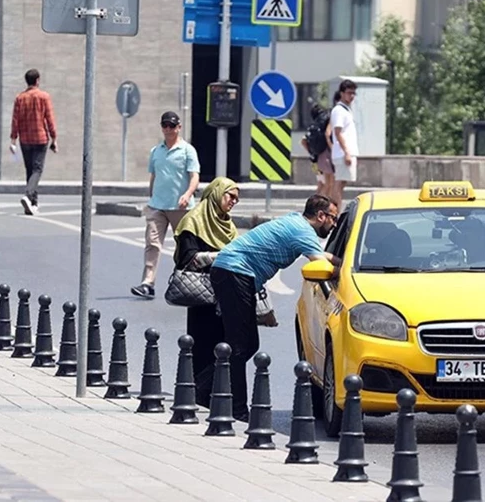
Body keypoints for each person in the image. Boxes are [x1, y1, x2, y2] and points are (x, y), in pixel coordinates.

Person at [209, 194, 342, 421]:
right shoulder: (302, 231)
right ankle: (235, 408)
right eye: (333, 218)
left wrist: (345, 261)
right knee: (240, 345)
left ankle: (204, 391)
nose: (335, 224)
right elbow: (320, 263)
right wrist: (346, 272)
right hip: (235, 272)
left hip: (234, 273)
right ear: (321, 216)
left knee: (246, 344)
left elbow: (325, 256)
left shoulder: (298, 224)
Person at [171, 177, 240, 408]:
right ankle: (198, 395)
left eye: (236, 199)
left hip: (225, 293)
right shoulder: (193, 221)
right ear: (216, 193)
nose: (233, 202)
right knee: (201, 345)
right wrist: (217, 257)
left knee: (225, 345)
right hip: (201, 295)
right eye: (230, 196)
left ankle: (217, 394)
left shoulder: (228, 225)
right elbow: (187, 258)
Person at [131, 111, 201, 299]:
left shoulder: (187, 151)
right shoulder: (156, 151)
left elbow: (194, 176)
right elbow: (154, 176)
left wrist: (187, 194)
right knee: (152, 243)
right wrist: (151, 196)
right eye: (165, 125)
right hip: (158, 206)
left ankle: (186, 281)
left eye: (172, 125)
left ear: (178, 127)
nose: (168, 129)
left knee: (185, 246)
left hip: (181, 208)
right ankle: (148, 283)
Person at [10, 68, 58, 216]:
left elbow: (15, 120)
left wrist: (13, 139)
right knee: (37, 170)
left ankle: (33, 204)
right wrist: (54, 138)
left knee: (30, 171)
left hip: (25, 139)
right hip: (40, 138)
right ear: (37, 80)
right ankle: (28, 195)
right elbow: (50, 119)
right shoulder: (44, 97)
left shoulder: (20, 98)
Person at [330, 80, 359, 209]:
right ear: (342, 93)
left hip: (347, 152)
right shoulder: (339, 110)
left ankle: (336, 209)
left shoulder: (346, 110)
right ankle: (335, 211)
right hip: (343, 153)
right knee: (339, 182)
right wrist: (346, 152)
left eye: (353, 93)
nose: (351, 96)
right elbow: (337, 132)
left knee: (342, 183)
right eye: (349, 93)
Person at [301, 104, 333, 196]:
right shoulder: (323, 125)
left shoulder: (313, 126)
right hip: (323, 159)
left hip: (313, 160)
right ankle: (320, 203)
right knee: (328, 184)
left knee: (320, 183)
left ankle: (315, 201)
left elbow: (303, 141)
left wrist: (311, 151)